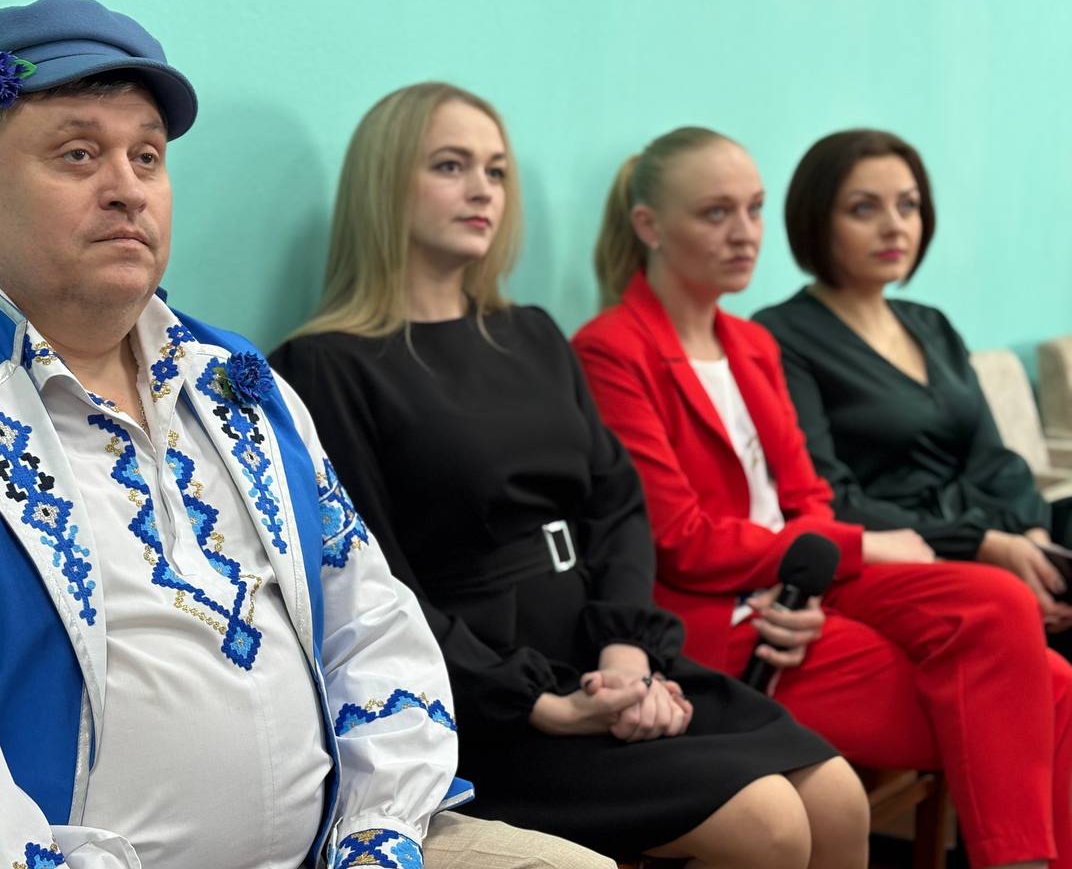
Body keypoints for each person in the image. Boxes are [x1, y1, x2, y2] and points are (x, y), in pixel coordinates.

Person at [0, 0, 610, 869]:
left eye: (147, 156)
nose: (127, 187)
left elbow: (370, 624)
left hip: (345, 845)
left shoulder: (234, 382)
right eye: (78, 154)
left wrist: (379, 833)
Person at [271, 83, 869, 869]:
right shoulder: (324, 367)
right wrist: (537, 702)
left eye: (496, 170)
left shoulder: (531, 333)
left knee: (837, 795)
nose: (483, 189)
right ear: (384, 185)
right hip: (482, 699)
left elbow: (617, 506)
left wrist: (626, 651)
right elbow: (373, 588)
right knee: (769, 824)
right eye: (451, 166)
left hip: (597, 650)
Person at [573, 125, 1072, 869]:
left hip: (800, 587)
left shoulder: (751, 344)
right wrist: (839, 554)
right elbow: (680, 537)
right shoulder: (611, 349)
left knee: (1000, 605)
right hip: (725, 617)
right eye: (716, 214)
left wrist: (810, 577)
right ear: (650, 226)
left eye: (753, 209)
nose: (745, 233)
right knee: (1045, 691)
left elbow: (809, 495)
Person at [752, 128, 1072, 643]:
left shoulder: (931, 324)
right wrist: (982, 544)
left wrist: (1034, 539)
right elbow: (831, 497)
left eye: (908, 206)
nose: (894, 226)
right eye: (864, 209)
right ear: (816, 220)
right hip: (908, 547)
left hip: (992, 531)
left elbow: (995, 459)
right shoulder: (781, 336)